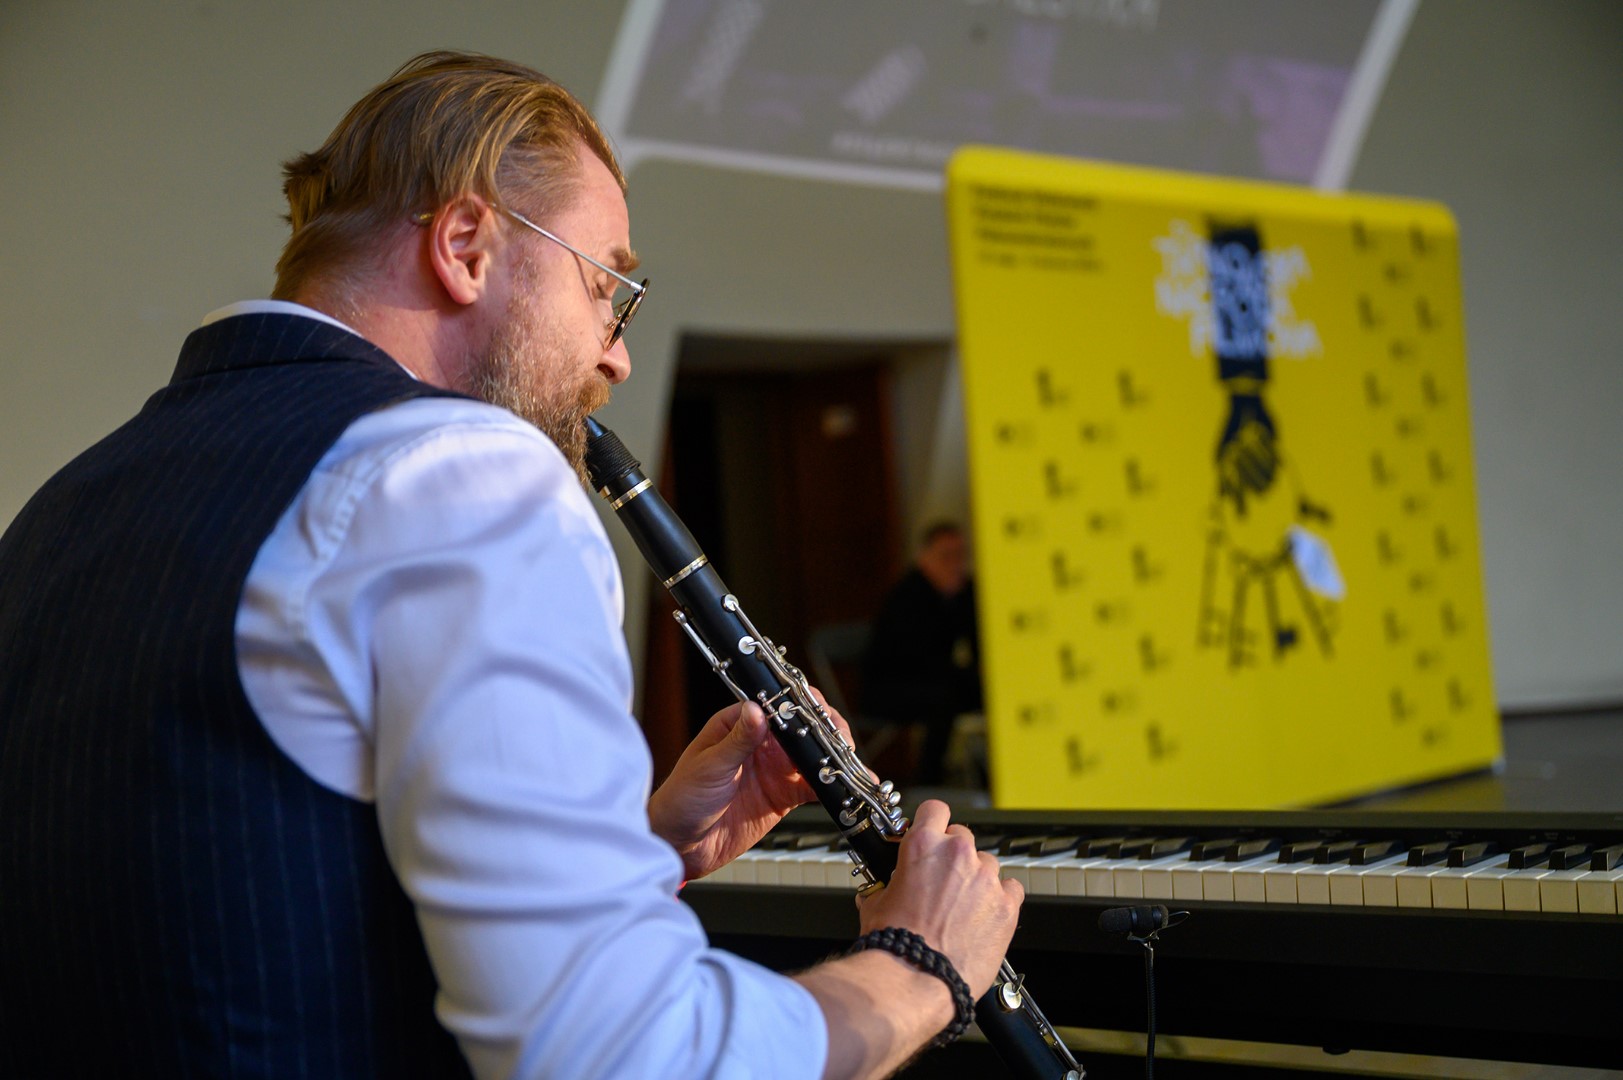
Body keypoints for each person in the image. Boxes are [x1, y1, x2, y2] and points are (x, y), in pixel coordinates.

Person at [0, 52, 1020, 1079]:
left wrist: (644, 849)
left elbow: (236, 892)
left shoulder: (68, 501)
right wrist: (921, 966)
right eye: (606, 285)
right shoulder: (462, 472)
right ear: (465, 246)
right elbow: (622, 1057)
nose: (616, 355)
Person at [862, 522, 985, 786]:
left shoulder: (964, 592)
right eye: (945, 556)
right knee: (944, 698)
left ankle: (987, 776)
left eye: (960, 556)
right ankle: (929, 783)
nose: (954, 565)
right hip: (890, 688)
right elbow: (913, 660)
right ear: (924, 559)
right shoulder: (907, 596)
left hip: (937, 681)